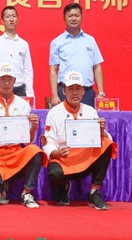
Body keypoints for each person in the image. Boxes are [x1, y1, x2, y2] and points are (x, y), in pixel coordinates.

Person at [0, 63, 47, 208]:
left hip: (17, 153)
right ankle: (1, 187)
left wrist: (34, 127)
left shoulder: (23, 105)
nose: (6, 83)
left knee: (36, 151)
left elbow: (28, 140)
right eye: (3, 79)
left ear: (15, 81)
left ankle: (26, 193)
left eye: (9, 79)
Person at [43, 71, 117, 210]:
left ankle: (94, 191)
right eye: (71, 89)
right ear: (64, 91)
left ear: (83, 91)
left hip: (85, 158)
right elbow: (48, 141)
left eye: (78, 89)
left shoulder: (90, 111)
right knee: (54, 173)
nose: (75, 93)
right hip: (64, 158)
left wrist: (101, 132)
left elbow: (106, 138)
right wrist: (57, 152)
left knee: (107, 143)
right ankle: (63, 188)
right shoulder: (54, 113)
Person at [49, 3, 105, 107]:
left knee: (88, 117)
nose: (74, 19)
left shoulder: (90, 40)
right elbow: (53, 69)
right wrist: (55, 95)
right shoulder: (57, 42)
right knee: (64, 117)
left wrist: (101, 92)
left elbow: (97, 66)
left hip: (87, 91)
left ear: (81, 17)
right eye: (70, 16)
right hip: (65, 91)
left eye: (77, 15)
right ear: (64, 18)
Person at [0, 6, 34, 98]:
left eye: (14, 16)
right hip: (1, 88)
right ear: (2, 21)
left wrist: (30, 94)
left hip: (19, 89)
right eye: (8, 17)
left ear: (17, 20)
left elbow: (28, 70)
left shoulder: (23, 44)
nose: (11, 19)